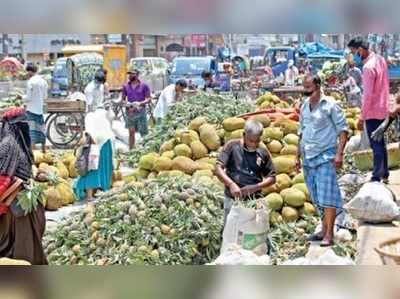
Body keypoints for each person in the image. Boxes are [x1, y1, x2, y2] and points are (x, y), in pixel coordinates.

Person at [297, 75, 348, 247]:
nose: (305, 91)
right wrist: (297, 155)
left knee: (327, 196)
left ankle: (329, 234)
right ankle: (323, 228)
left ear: (318, 86)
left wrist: (339, 154)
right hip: (308, 158)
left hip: (325, 156)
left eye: (308, 87)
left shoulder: (331, 105)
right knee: (316, 196)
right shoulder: (304, 106)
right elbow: (301, 133)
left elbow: (343, 131)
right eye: (304, 87)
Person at [0, 107, 47, 264]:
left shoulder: (11, 143)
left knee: (19, 245)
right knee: (24, 245)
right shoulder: (11, 144)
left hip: (18, 204)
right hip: (20, 203)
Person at [215, 120, 276, 225]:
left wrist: (255, 187)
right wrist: (231, 184)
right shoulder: (232, 146)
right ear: (244, 135)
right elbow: (218, 168)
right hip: (232, 200)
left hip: (254, 201)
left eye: (256, 141)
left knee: (253, 234)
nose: (253, 144)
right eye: (250, 141)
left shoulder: (263, 152)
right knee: (230, 232)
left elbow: (272, 178)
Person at [351, 38, 390, 183]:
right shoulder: (380, 60)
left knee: (376, 145)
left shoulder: (367, 68)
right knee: (381, 142)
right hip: (383, 107)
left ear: (360, 50)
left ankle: (376, 176)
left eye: (354, 52)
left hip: (372, 110)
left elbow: (367, 96)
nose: (353, 55)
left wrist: (362, 117)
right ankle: (385, 173)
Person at [73, 108, 114, 201]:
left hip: (95, 148)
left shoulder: (90, 119)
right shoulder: (101, 121)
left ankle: (91, 194)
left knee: (91, 169)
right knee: (97, 169)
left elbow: (90, 135)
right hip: (101, 146)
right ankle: (94, 193)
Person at [121, 68, 151, 149]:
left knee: (144, 133)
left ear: (137, 75)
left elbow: (148, 99)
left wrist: (140, 103)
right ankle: (131, 150)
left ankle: (146, 149)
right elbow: (123, 99)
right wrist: (127, 104)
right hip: (130, 112)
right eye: (129, 74)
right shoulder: (125, 86)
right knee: (131, 132)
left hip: (140, 111)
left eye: (132, 74)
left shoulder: (144, 86)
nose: (130, 76)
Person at [22, 64, 48, 153]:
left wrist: (21, 97)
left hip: (31, 109)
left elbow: (28, 98)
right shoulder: (43, 81)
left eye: (27, 71)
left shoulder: (31, 82)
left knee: (32, 131)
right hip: (39, 109)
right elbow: (45, 96)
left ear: (29, 71)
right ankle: (44, 150)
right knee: (41, 129)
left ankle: (33, 152)